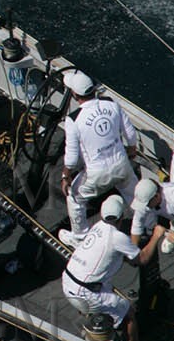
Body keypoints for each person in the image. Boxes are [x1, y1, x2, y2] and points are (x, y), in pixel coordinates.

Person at [59, 194, 161, 341]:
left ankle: (96, 324)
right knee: (129, 312)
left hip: (68, 281)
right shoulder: (117, 236)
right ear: (121, 217)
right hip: (86, 292)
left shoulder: (97, 226)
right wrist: (156, 235)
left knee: (105, 299)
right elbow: (141, 259)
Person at [59, 69, 139, 239]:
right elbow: (130, 134)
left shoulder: (73, 119)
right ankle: (146, 224)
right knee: (135, 196)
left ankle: (79, 236)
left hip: (97, 174)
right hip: (122, 164)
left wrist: (65, 176)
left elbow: (72, 159)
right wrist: (131, 151)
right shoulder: (111, 103)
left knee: (74, 198)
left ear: (74, 94)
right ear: (93, 90)